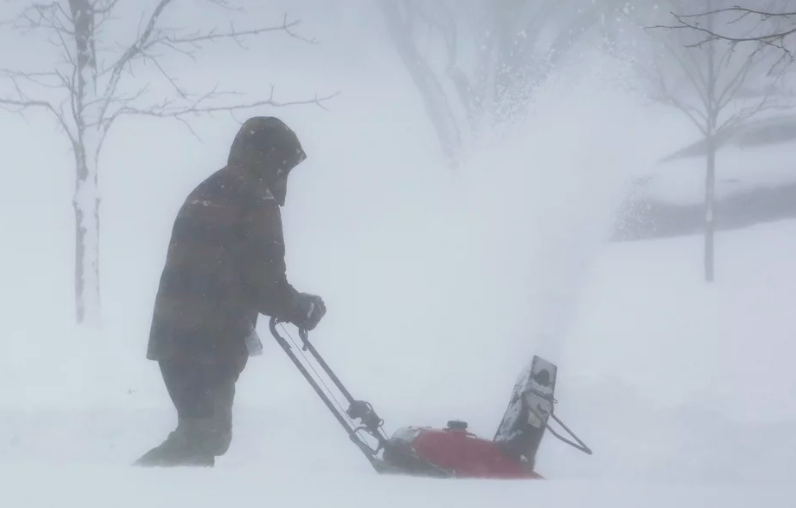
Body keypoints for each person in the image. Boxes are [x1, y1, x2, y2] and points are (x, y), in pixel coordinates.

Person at [134, 116, 326, 468]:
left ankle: (150, 490)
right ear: (273, 160)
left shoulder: (211, 188)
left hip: (173, 335)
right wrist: (300, 308)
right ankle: (129, 490)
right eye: (285, 167)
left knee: (198, 434)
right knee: (203, 437)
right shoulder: (255, 197)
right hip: (210, 338)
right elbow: (264, 280)